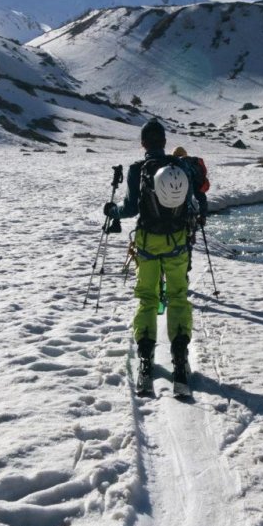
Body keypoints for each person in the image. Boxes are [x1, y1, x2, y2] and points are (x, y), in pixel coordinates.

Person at [103, 119, 204, 393]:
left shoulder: (139, 170)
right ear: (164, 141)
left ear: (144, 143)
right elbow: (193, 201)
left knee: (147, 298)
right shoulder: (180, 166)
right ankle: (180, 363)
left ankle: (146, 362)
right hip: (178, 243)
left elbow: (131, 209)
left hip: (148, 244)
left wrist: (112, 211)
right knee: (178, 296)